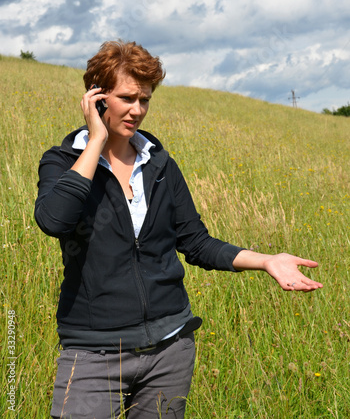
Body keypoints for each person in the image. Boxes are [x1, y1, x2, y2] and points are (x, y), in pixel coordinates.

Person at [35, 40, 323, 419]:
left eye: (146, 99)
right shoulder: (63, 161)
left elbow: (196, 242)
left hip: (170, 351)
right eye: (127, 98)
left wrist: (266, 260)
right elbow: (54, 220)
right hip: (93, 353)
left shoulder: (159, 164)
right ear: (96, 98)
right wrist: (97, 143)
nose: (138, 110)